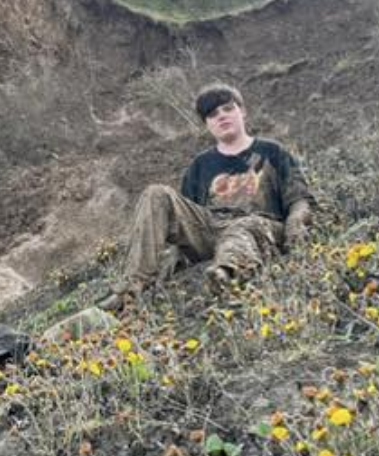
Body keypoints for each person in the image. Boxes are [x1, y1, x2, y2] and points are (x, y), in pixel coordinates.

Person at [108, 82, 313, 305]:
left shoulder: (272, 151)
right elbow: (188, 220)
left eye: (228, 109)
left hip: (262, 225)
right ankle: (130, 290)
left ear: (242, 111)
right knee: (155, 193)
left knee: (242, 226)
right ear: (207, 124)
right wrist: (176, 255)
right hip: (212, 227)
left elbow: (299, 199)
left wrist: (295, 225)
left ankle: (225, 275)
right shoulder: (199, 166)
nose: (221, 116)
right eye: (213, 114)